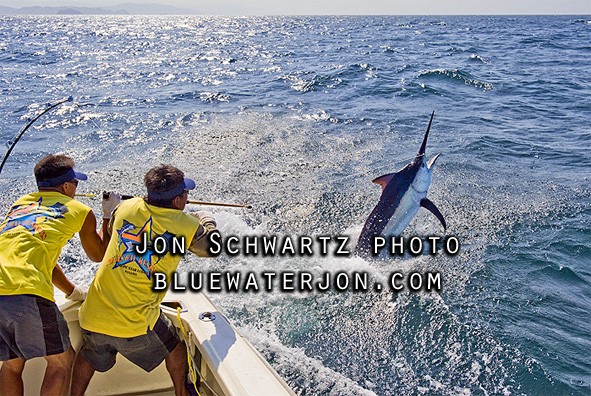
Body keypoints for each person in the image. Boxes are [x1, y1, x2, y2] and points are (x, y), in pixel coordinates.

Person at [71, 164, 219, 396]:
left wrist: (114, 210)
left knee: (89, 354)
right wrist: (206, 221)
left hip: (92, 315)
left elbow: (113, 228)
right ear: (179, 200)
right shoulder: (187, 225)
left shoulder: (126, 207)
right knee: (174, 346)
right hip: (134, 323)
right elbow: (211, 248)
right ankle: (181, 392)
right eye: (186, 194)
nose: (187, 198)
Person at [0, 154, 115, 396]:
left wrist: (72, 291)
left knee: (11, 365)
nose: (76, 189)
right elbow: (99, 254)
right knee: (61, 361)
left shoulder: (19, 204)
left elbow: (41, 257)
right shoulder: (80, 210)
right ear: (65, 186)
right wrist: (108, 216)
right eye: (75, 184)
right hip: (26, 291)